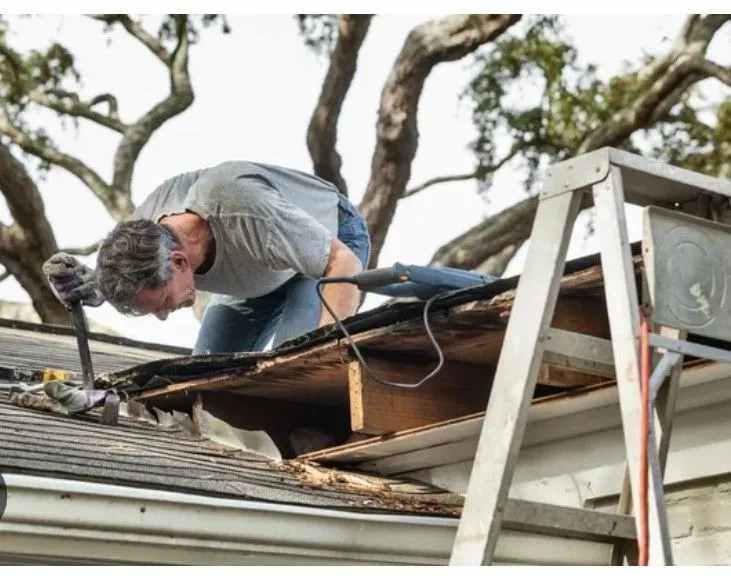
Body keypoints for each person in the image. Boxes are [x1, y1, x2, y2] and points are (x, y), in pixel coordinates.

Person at [43, 161, 371, 354]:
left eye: (163, 303)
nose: (163, 316)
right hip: (260, 267)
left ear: (179, 262)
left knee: (298, 359)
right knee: (204, 373)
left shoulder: (244, 209)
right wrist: (88, 286)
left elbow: (342, 263)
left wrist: (328, 356)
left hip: (330, 241)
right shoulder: (140, 237)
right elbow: (120, 281)